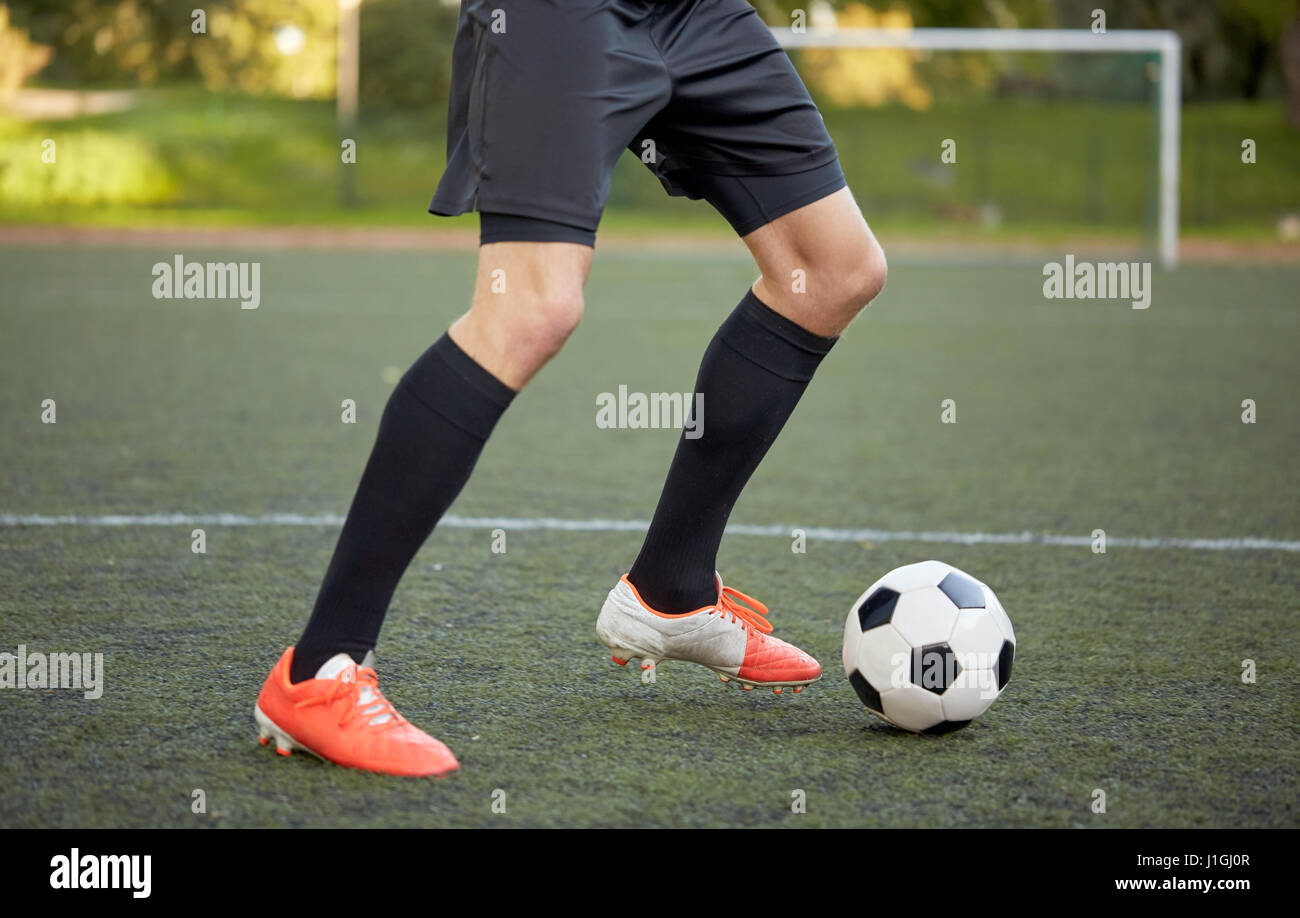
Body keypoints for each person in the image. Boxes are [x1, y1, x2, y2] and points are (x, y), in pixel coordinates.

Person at [254, 0, 887, 777]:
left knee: (832, 271)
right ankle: (319, 671)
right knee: (530, 307)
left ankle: (671, 590)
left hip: (695, 10)